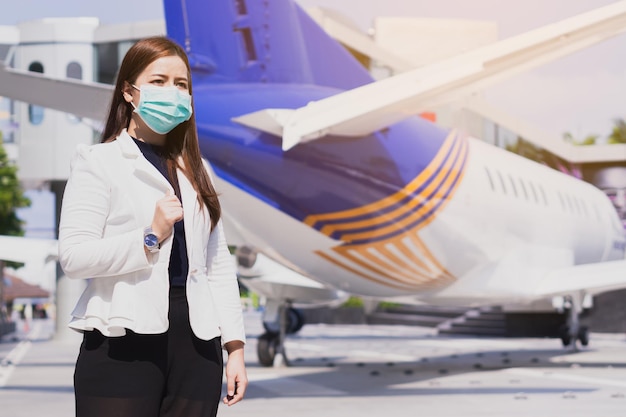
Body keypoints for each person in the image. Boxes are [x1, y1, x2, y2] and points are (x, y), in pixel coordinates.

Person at [58, 36, 247, 417]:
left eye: (181, 85)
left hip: (196, 343)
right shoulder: (98, 161)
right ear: (130, 92)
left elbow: (217, 265)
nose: (173, 92)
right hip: (121, 338)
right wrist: (149, 237)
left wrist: (235, 348)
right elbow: (74, 257)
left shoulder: (197, 170)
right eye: (159, 81)